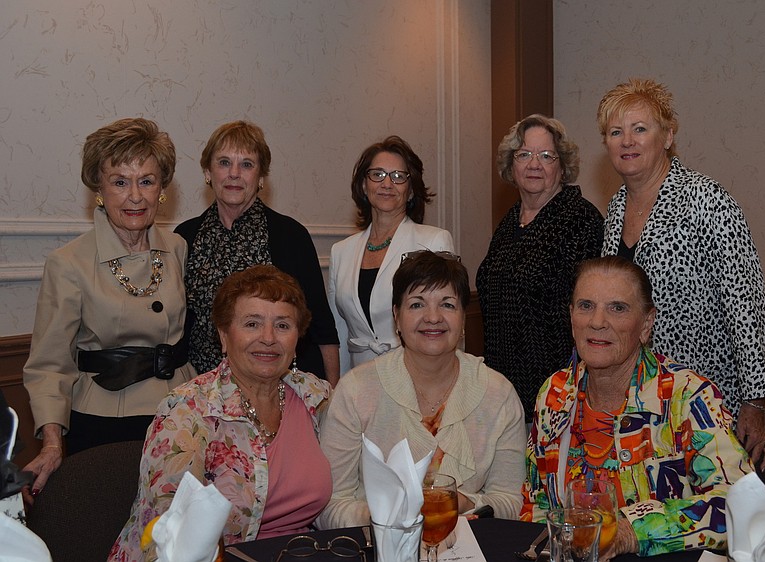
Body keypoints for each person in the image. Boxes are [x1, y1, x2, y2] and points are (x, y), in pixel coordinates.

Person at [597, 78, 765, 468]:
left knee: (703, 508)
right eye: (616, 132)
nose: (627, 141)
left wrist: (753, 404)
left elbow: (745, 305)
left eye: (640, 129)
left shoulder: (707, 200)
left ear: (666, 137)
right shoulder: (615, 208)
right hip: (640, 394)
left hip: (704, 395)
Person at [521, 256, 752, 559]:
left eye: (617, 308)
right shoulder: (554, 393)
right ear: (572, 317)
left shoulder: (687, 397)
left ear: (646, 324)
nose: (597, 321)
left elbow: (742, 505)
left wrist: (632, 531)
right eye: (586, 305)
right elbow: (536, 502)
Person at [110, 265, 333, 560]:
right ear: (224, 336)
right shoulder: (187, 412)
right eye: (252, 324)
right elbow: (166, 538)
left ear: (297, 339)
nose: (268, 337)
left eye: (282, 325)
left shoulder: (315, 397)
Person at [22, 118, 194, 499]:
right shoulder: (68, 263)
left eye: (147, 181)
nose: (135, 196)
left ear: (162, 189)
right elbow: (49, 365)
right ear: (98, 189)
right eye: (120, 181)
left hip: (178, 418)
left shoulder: (178, 249)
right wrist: (52, 444)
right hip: (103, 424)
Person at [317, 251, 525, 528]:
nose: (433, 317)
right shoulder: (356, 391)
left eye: (448, 305)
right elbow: (329, 506)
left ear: (463, 317)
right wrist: (383, 518)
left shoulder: (499, 394)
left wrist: (466, 503)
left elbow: (509, 501)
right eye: (417, 305)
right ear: (396, 317)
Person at [176, 121, 340, 385]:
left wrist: (331, 396)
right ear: (208, 172)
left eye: (247, 165)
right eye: (224, 163)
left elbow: (321, 324)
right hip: (205, 392)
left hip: (281, 386)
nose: (234, 174)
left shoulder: (291, 236)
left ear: (261, 177)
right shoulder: (184, 237)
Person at [476, 114, 603, 421]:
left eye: (547, 156)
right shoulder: (510, 222)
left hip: (559, 396)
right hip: (504, 393)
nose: (535, 164)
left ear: (562, 167)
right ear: (511, 165)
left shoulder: (582, 221)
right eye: (524, 155)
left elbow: (592, 314)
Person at [328, 136, 454, 375]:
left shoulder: (434, 241)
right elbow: (340, 331)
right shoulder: (341, 251)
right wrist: (340, 389)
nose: (387, 183)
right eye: (377, 174)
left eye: (398, 176)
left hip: (416, 377)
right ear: (364, 186)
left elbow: (447, 323)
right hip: (359, 382)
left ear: (410, 191)